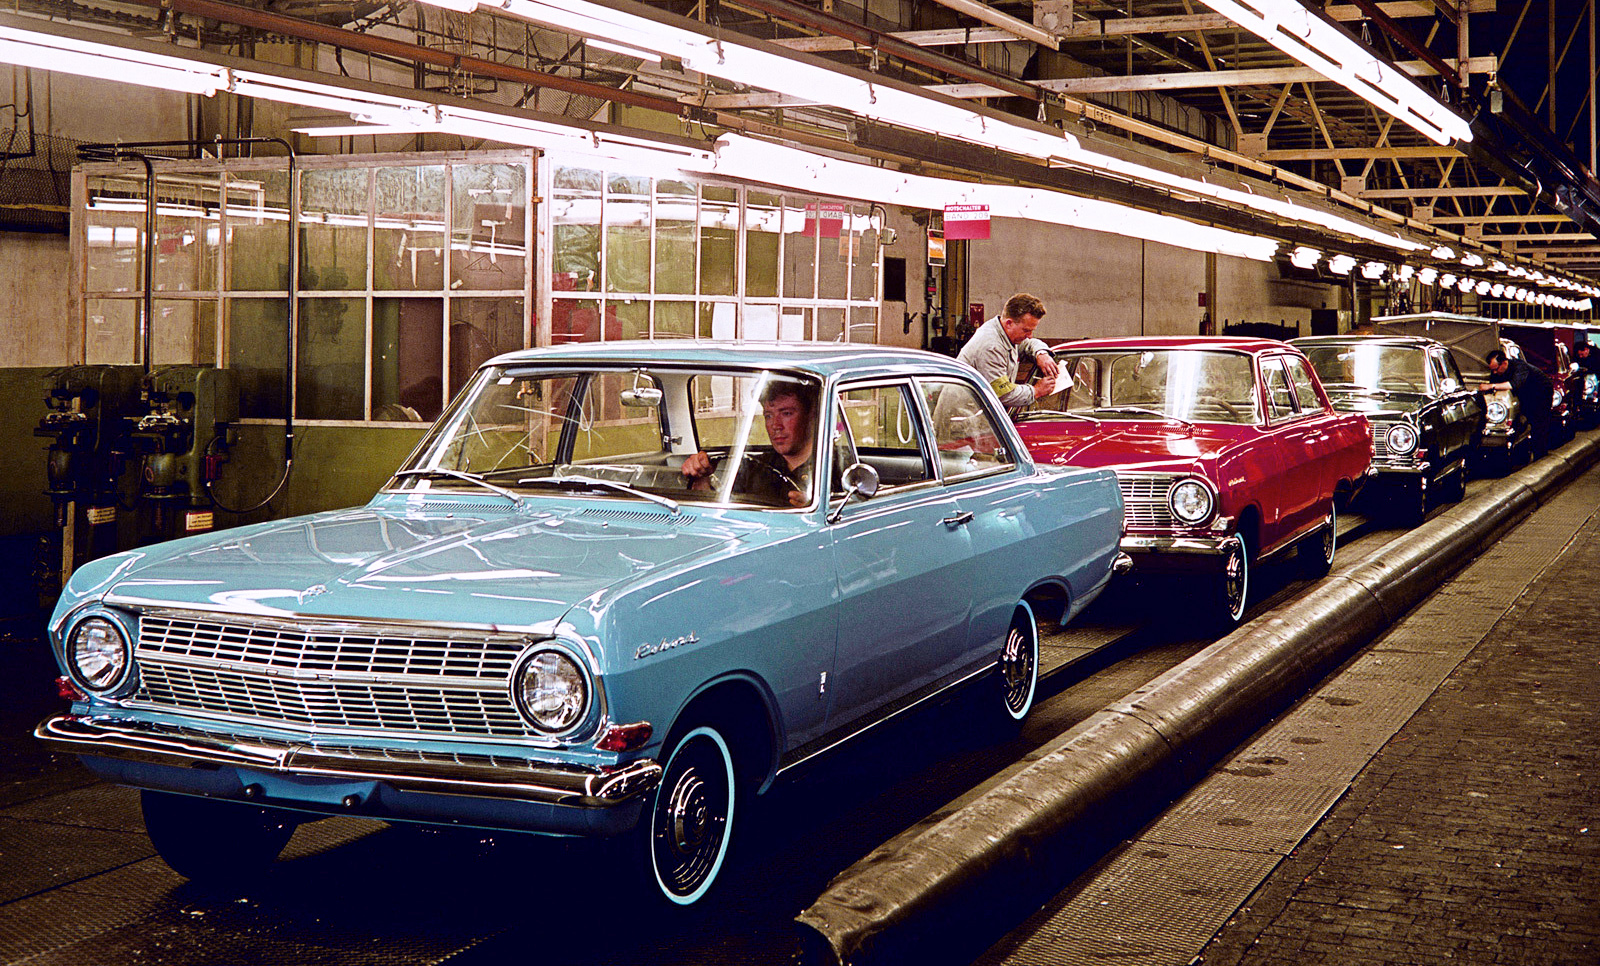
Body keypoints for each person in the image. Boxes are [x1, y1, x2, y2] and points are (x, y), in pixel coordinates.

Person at [681, 380, 816, 507]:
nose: (775, 425)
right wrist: (701, 479)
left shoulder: (826, 472)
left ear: (811, 416)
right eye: (768, 416)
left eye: (786, 414)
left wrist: (812, 509)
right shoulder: (754, 469)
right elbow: (725, 514)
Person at [956, 293, 1060, 415]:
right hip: (962, 415)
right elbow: (1003, 394)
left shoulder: (1005, 332)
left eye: (1032, 331)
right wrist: (1036, 391)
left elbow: (1028, 344)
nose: (1030, 335)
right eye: (1026, 330)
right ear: (1009, 323)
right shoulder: (991, 346)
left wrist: (1041, 353)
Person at [1480, 347, 1553, 459]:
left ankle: (1540, 455)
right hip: (1526, 394)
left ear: (1504, 363)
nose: (1494, 372)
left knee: (1539, 424)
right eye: (1492, 370)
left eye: (1496, 369)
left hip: (1541, 392)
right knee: (1524, 422)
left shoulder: (1519, 366)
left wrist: (1491, 386)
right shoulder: (1498, 372)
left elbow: (1513, 384)